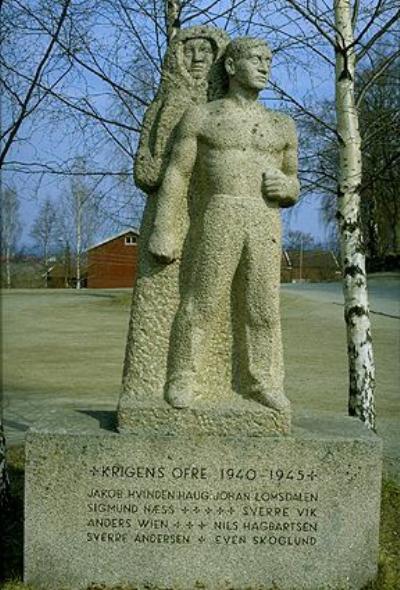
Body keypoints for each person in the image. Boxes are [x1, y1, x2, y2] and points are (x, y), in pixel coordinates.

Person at [148, 37, 300, 412]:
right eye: (255, 59)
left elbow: (294, 179)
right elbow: (178, 175)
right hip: (220, 214)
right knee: (202, 301)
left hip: (263, 218)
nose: (264, 66)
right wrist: (164, 228)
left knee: (262, 307)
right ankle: (182, 375)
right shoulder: (203, 117)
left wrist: (288, 188)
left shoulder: (282, 125)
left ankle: (263, 380)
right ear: (231, 66)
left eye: (268, 59)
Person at [119, 27, 229, 410]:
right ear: (176, 58)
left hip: (217, 210)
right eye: (191, 51)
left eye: (206, 52)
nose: (198, 58)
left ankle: (209, 383)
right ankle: (150, 386)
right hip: (167, 213)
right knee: (159, 300)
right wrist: (174, 170)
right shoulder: (164, 105)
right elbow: (144, 170)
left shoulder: (227, 108)